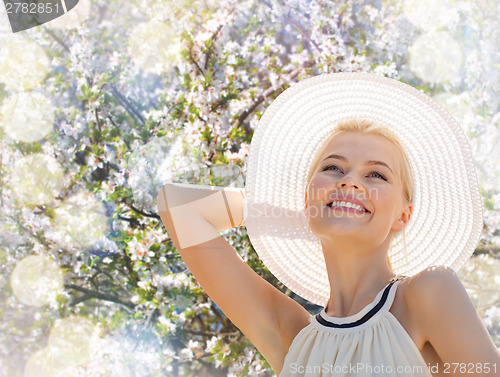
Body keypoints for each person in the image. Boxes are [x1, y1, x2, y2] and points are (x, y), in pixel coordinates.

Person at [157, 73, 500, 376]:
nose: (350, 181)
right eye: (334, 168)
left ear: (403, 216)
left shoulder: (428, 294)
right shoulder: (292, 337)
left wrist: (335, 206)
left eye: (376, 174)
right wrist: (307, 211)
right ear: (306, 197)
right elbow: (177, 206)